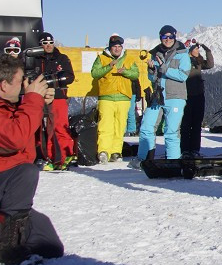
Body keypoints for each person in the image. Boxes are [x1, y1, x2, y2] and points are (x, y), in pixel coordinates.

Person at [0, 55, 64, 265]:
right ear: (4, 85)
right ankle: (10, 250)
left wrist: (41, 106)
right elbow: (13, 139)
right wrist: (32, 100)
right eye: (21, 80)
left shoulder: (5, 105)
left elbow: (35, 148)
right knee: (24, 172)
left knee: (49, 246)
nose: (26, 85)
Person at [136, 25, 191, 164]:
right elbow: (154, 78)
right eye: (164, 37)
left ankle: (173, 161)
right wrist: (151, 71)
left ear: (174, 37)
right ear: (160, 38)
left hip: (175, 97)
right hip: (158, 96)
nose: (167, 39)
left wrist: (164, 68)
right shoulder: (156, 54)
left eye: (170, 37)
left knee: (171, 131)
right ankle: (144, 159)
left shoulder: (182, 54)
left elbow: (183, 75)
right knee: (146, 127)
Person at [29, 32, 76, 166]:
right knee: (42, 128)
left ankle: (65, 155)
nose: (48, 46)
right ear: (40, 44)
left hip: (58, 97)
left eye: (51, 42)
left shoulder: (61, 58)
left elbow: (69, 77)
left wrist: (51, 81)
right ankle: (47, 155)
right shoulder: (35, 59)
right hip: (39, 96)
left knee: (60, 126)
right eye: (45, 43)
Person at [90, 34, 139, 163]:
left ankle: (116, 152)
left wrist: (125, 72)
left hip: (123, 97)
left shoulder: (129, 59)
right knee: (105, 125)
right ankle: (103, 151)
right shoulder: (101, 58)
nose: (117, 49)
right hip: (106, 96)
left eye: (119, 46)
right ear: (110, 47)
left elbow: (135, 74)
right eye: (114, 47)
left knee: (120, 126)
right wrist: (109, 67)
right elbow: (94, 73)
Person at [180, 37, 214, 158]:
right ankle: (185, 149)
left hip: (199, 95)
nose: (197, 50)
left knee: (196, 124)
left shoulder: (198, 61)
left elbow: (210, 64)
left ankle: (195, 149)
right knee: (186, 124)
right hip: (186, 96)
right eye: (196, 48)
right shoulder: (184, 61)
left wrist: (206, 49)